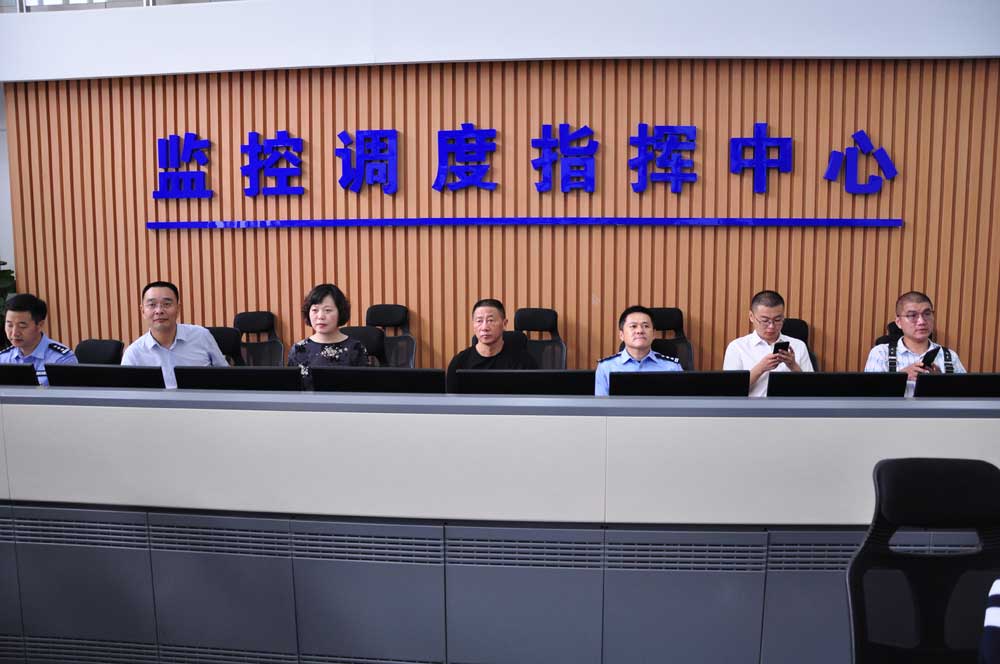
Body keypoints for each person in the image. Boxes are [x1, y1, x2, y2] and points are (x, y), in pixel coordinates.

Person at [121, 281, 227, 388]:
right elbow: (126, 394)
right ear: (143, 311)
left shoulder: (201, 336)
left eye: (167, 304)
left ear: (178, 309)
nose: (159, 311)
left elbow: (226, 376)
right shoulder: (133, 353)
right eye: (152, 305)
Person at [864, 291, 965, 396]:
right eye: (912, 315)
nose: (921, 321)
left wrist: (942, 382)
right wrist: (900, 377)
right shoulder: (881, 353)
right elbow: (869, 394)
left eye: (927, 314)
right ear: (898, 322)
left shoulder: (949, 356)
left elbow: (965, 397)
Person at [722, 290, 813, 396]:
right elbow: (731, 390)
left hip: (788, 405)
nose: (771, 326)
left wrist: (793, 366)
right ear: (751, 316)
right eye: (765, 321)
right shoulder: (737, 347)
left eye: (777, 320)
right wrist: (760, 368)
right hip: (750, 405)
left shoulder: (798, 346)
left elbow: (811, 389)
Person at [288, 283, 370, 386]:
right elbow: (291, 390)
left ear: (340, 312)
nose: (320, 316)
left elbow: (364, 388)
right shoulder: (298, 349)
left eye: (327, 310)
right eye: (315, 310)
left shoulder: (356, 348)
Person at [446, 298, 537, 390]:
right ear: (473, 325)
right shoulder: (459, 363)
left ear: (504, 324)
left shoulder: (524, 362)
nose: (484, 327)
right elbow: (450, 398)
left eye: (490, 320)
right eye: (479, 321)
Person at [594, 305, 683, 396]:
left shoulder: (672, 367)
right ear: (621, 335)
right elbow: (601, 404)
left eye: (646, 326)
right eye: (633, 326)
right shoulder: (606, 367)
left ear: (653, 334)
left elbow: (680, 403)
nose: (639, 331)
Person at [0, 293, 77, 385]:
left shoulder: (62, 359)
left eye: (22, 326)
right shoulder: (3, 359)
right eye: (10, 325)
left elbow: (68, 394)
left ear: (40, 325)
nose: (14, 333)